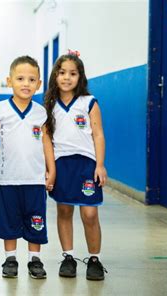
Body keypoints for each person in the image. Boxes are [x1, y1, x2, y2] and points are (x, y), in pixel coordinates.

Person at [0, 56, 56, 279]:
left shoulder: (40, 113)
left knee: (36, 221)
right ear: (10, 81)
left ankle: (34, 259)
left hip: (35, 180)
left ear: (39, 84)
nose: (25, 83)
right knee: (9, 221)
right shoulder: (0, 109)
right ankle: (10, 259)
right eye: (20, 78)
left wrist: (52, 169)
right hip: (9, 180)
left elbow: (46, 142)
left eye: (31, 79)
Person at [44, 51, 108, 280]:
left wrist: (100, 165)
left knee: (90, 213)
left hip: (86, 163)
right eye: (62, 73)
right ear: (55, 76)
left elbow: (98, 135)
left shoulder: (89, 102)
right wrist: (50, 169)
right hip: (62, 163)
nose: (67, 78)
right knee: (64, 210)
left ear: (80, 77)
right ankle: (68, 257)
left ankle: (94, 259)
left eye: (73, 73)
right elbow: (47, 140)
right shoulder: (49, 104)